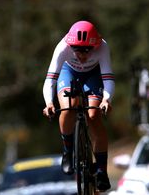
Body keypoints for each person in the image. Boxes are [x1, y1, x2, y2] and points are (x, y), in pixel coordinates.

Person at [42, 20, 115, 191]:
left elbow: (108, 78)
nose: (82, 55)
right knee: (69, 107)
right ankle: (68, 151)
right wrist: (49, 103)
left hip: (93, 75)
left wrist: (106, 99)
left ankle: (102, 170)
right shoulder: (62, 48)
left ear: (95, 45)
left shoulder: (103, 47)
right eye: (77, 50)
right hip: (68, 73)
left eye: (88, 50)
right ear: (70, 46)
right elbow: (50, 80)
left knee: (93, 115)